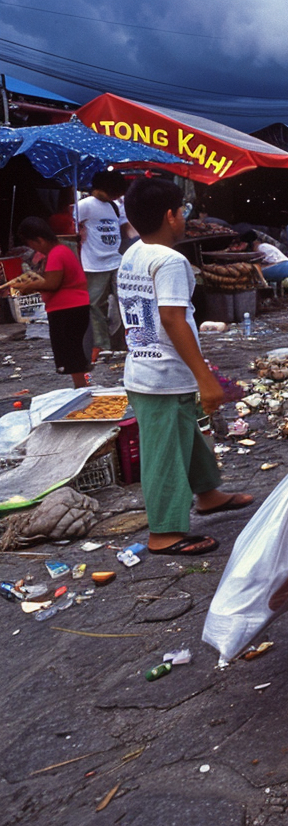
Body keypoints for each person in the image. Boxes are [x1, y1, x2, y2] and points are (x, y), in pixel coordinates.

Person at [116, 177, 253, 556]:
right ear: (170, 216)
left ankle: (208, 494)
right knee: (164, 454)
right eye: (182, 211)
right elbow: (174, 319)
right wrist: (205, 378)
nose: (184, 218)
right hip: (159, 373)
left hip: (146, 366)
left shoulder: (133, 253)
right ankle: (164, 532)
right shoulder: (173, 260)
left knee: (187, 438)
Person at [11, 217, 91, 387]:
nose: (33, 249)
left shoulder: (57, 253)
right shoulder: (60, 251)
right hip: (70, 307)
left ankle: (81, 388)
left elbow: (52, 283)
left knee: (71, 352)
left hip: (67, 308)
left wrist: (29, 286)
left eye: (32, 244)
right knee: (73, 350)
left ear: (39, 240)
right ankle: (81, 385)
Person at [78, 168, 135, 362]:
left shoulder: (114, 206)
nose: (116, 196)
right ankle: (102, 344)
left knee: (126, 302)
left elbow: (126, 229)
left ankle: (124, 341)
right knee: (95, 306)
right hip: (93, 264)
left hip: (115, 260)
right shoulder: (85, 205)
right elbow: (70, 225)